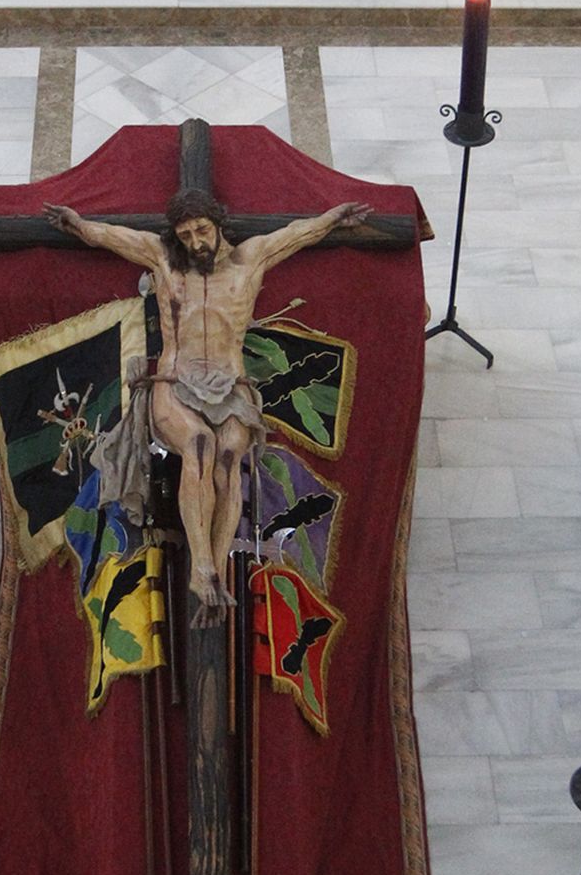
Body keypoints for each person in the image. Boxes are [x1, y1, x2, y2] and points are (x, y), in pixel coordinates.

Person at [42, 188, 371, 620]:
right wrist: (79, 224)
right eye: (185, 234)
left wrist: (332, 218)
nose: (195, 241)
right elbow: (111, 236)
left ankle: (216, 568)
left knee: (229, 458)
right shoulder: (163, 258)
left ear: (219, 225)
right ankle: (200, 567)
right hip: (174, 382)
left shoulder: (250, 259)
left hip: (230, 385)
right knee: (199, 444)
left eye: (202, 230)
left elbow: (296, 234)